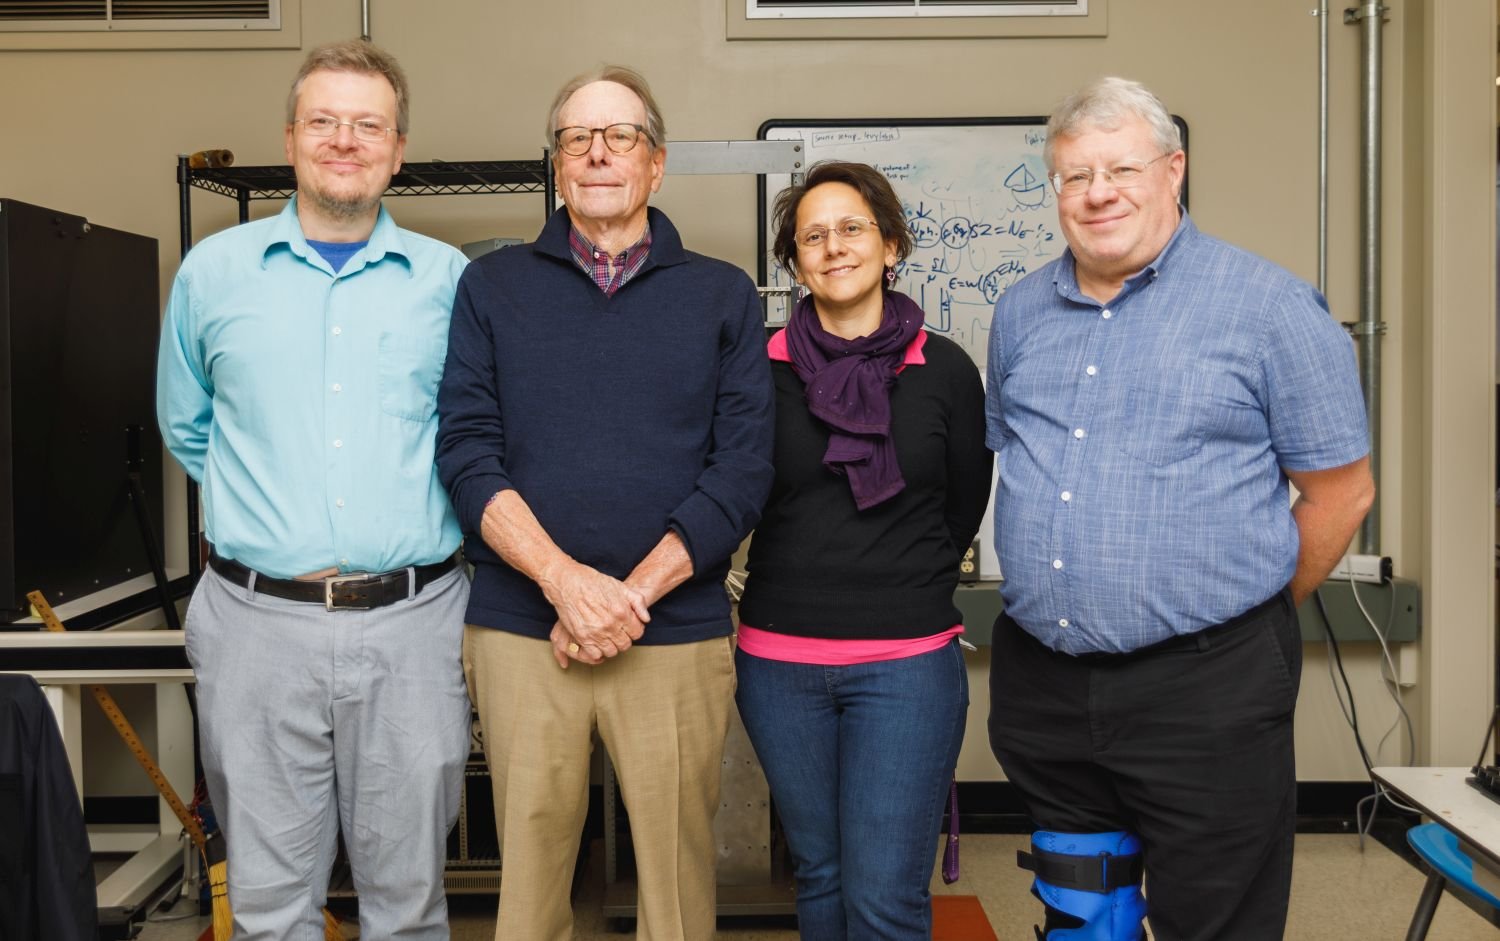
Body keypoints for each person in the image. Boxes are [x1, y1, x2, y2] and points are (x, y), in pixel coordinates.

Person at [985, 76, 1374, 941]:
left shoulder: (1271, 308)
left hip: (1209, 688)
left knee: (1215, 919)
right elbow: (1019, 458)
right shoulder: (1018, 313)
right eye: (1074, 176)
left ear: (1174, 169)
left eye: (1121, 168)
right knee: (1084, 912)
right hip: (1047, 684)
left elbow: (1342, 492)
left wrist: (1241, 617)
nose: (1098, 193)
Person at [435, 65, 774, 941]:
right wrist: (564, 583)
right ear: (556, 165)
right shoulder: (493, 288)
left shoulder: (723, 294)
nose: (596, 153)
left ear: (655, 165)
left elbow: (740, 471)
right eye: (575, 138)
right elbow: (467, 453)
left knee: (674, 886)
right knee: (531, 886)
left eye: (618, 136)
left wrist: (626, 597)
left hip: (672, 632)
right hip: (522, 629)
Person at [156, 39, 472, 940]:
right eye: (324, 120)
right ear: (291, 136)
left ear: (398, 148)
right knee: (266, 906)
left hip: (415, 626)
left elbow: (476, 439)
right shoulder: (212, 274)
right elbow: (189, 427)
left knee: (408, 905)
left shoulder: (451, 285)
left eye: (368, 123)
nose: (345, 139)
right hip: (256, 624)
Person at [734, 161, 991, 940]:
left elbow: (963, 503)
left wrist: (895, 584)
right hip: (779, 663)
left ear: (889, 244)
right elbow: (738, 488)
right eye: (813, 235)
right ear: (794, 260)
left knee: (884, 895)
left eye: (851, 228)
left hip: (907, 663)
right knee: (820, 876)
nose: (833, 247)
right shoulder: (756, 366)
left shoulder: (944, 368)